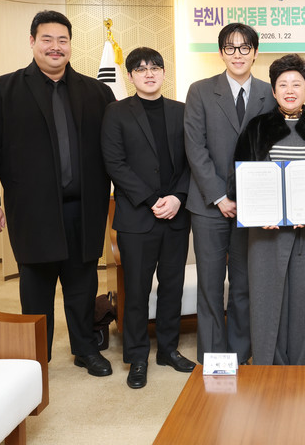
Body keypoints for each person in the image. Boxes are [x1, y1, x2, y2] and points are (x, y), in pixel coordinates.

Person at [0, 10, 115, 376]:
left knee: (82, 284)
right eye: (47, 39)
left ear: (70, 45)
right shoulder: (4, 90)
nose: (55, 47)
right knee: (36, 288)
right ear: (32, 41)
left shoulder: (97, 92)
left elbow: (115, 148)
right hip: (33, 211)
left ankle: (85, 349)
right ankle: (36, 357)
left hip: (85, 209)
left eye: (62, 40)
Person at [228, 54, 305, 365]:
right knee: (266, 299)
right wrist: (257, 212)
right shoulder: (257, 127)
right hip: (265, 231)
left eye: (297, 84)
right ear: (274, 91)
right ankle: (269, 365)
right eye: (283, 84)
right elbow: (239, 176)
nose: (290, 90)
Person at [101, 47, 195, 389]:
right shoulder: (116, 112)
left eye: (155, 67)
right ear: (130, 76)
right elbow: (115, 163)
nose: (149, 73)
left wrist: (178, 197)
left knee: (172, 287)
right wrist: (153, 200)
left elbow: (192, 159)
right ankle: (137, 356)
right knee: (137, 292)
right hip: (136, 218)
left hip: (176, 215)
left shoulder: (182, 111)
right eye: (141, 69)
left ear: (164, 73)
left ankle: (167, 350)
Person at [184, 23, 276, 364]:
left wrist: (250, 198)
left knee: (243, 285)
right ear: (221, 52)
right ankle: (213, 357)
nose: (238, 54)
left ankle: (239, 354)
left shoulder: (269, 93)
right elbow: (195, 148)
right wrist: (220, 197)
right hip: (208, 206)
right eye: (230, 48)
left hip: (252, 208)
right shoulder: (200, 91)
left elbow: (272, 150)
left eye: (245, 47)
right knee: (210, 285)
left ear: (255, 52)